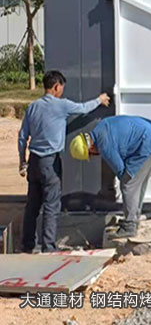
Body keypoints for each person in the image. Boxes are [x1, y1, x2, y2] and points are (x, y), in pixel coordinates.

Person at [17, 71, 110, 253]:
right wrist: (99, 100)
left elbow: (22, 137)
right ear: (56, 87)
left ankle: (27, 246)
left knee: (32, 206)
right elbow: (83, 108)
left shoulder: (33, 107)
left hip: (34, 162)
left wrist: (22, 161)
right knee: (51, 206)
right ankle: (48, 248)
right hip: (50, 163)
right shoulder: (61, 105)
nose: (62, 92)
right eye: (61, 88)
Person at [70, 115, 151, 238]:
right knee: (137, 182)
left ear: (90, 147)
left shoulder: (103, 144)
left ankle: (129, 226)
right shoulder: (100, 128)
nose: (94, 156)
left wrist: (117, 189)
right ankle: (134, 218)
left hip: (146, 142)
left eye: (90, 154)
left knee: (128, 184)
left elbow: (121, 171)